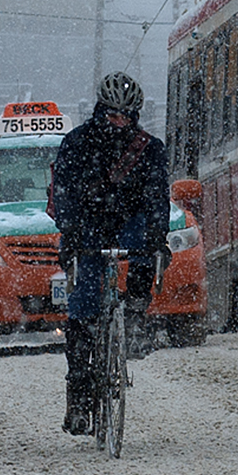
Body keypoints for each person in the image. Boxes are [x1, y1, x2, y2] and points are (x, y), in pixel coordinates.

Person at [51, 72, 169, 435]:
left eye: (126, 115)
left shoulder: (149, 149)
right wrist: (70, 234)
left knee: (146, 248)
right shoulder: (77, 143)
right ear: (100, 111)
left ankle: (135, 313)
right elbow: (65, 192)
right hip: (88, 222)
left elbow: (156, 198)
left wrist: (157, 236)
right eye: (112, 115)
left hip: (129, 219)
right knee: (83, 302)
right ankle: (79, 391)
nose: (119, 122)